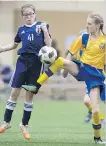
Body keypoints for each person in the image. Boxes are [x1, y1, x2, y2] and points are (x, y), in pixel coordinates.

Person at [22, 12, 106, 144]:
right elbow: (70, 52)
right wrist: (65, 69)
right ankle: (36, 86)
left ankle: (97, 138)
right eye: (87, 23)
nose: (87, 25)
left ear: (97, 25)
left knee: (95, 111)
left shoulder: (104, 41)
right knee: (60, 60)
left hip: (95, 76)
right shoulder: (84, 37)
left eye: (89, 24)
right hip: (82, 68)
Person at [0, 4, 51, 140]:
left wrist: (45, 30)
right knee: (14, 92)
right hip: (22, 61)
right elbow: (14, 44)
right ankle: (6, 122)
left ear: (35, 14)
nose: (29, 16)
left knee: (29, 95)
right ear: (23, 17)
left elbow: (48, 44)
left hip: (36, 63)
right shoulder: (21, 29)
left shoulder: (41, 26)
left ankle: (24, 124)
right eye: (26, 14)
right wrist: (2, 49)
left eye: (31, 14)